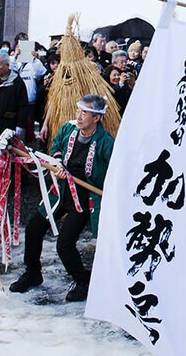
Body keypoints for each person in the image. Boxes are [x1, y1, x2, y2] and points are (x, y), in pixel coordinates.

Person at [10, 94, 114, 301]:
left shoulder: (106, 143)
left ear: (97, 118)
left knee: (64, 244)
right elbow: (56, 146)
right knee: (33, 228)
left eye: (85, 113)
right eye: (79, 111)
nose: (80, 116)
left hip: (84, 197)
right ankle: (33, 273)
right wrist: (57, 164)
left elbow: (112, 173)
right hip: (60, 190)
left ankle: (83, 280)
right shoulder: (69, 129)